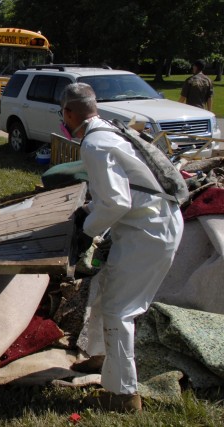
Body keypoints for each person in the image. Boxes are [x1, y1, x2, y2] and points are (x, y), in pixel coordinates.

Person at [59, 83, 183, 412]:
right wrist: (89, 212)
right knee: (104, 290)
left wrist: (87, 230)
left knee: (120, 310)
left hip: (149, 233)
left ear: (69, 113)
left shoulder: (96, 143)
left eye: (63, 114)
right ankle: (102, 357)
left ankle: (122, 394)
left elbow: (116, 202)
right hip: (147, 223)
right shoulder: (109, 129)